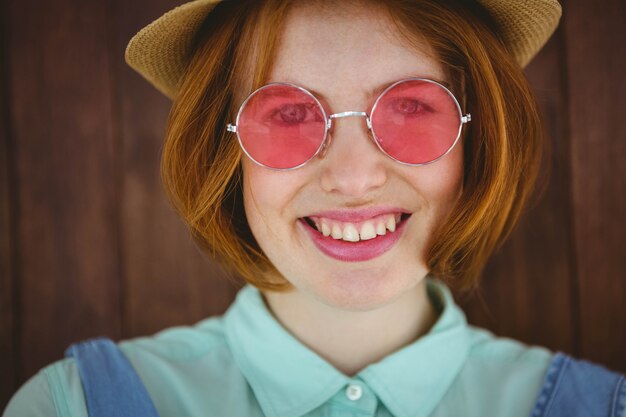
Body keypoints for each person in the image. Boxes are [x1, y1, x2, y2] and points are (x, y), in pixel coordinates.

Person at [4, 0, 626, 416]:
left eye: (411, 106)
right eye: (290, 114)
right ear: (224, 150)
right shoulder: (72, 406)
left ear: (476, 136)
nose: (354, 179)